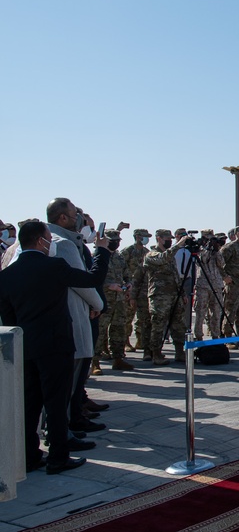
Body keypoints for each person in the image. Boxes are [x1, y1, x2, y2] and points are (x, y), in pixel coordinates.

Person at [0, 220, 110, 475]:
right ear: (40, 240)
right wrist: (102, 251)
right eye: (49, 238)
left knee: (30, 405)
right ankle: (58, 457)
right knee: (57, 403)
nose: (51, 242)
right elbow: (93, 278)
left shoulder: (6, 275)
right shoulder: (54, 266)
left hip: (25, 346)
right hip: (56, 345)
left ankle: (29, 456)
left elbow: (8, 318)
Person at [45, 198, 105, 433]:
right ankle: (64, 429)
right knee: (67, 383)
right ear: (62, 218)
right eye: (74, 214)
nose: (78, 218)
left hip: (47, 322)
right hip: (71, 317)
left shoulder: (43, 241)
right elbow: (84, 283)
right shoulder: (63, 244)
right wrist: (99, 303)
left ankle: (67, 423)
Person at [144, 229, 191, 365]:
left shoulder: (169, 256)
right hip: (159, 296)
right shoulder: (152, 255)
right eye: (166, 238)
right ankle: (156, 354)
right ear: (158, 238)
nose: (169, 241)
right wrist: (179, 245)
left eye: (170, 238)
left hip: (174, 295)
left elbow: (176, 275)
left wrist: (182, 294)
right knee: (158, 326)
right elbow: (163, 258)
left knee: (178, 325)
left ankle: (179, 351)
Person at [93, 229, 134, 372]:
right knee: (100, 331)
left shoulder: (119, 257)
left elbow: (127, 274)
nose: (116, 243)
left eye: (118, 241)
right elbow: (91, 278)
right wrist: (108, 286)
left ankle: (118, 358)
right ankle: (95, 362)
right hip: (103, 300)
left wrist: (129, 284)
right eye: (112, 241)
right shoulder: (96, 256)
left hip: (119, 300)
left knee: (119, 329)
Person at [121, 228, 151, 352]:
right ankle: (126, 342)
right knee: (128, 316)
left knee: (143, 317)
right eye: (144, 236)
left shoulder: (147, 252)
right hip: (130, 288)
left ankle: (140, 340)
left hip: (143, 289)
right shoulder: (127, 251)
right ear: (138, 237)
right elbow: (121, 269)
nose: (146, 239)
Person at [192, 229, 226, 340]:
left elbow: (221, 264)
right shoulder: (199, 248)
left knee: (216, 312)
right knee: (200, 312)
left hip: (216, 284)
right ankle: (198, 335)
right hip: (203, 285)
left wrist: (216, 250)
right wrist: (206, 248)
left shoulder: (215, 250)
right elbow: (202, 260)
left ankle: (215, 335)